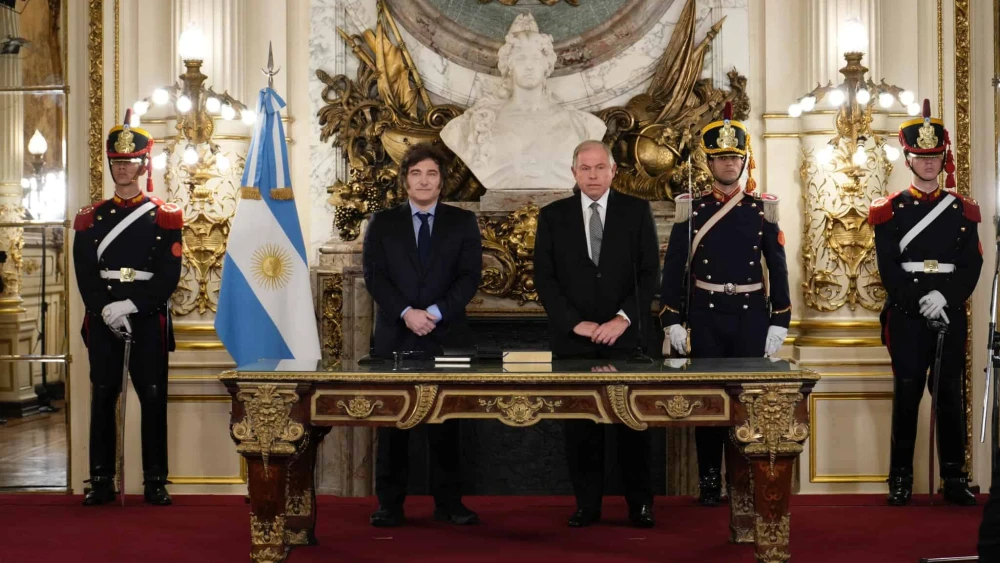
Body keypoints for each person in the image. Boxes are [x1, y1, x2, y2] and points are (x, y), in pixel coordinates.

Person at [659, 102, 791, 506]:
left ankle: (741, 480)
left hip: (751, 317)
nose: (729, 165)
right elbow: (674, 270)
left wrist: (779, 320)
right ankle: (710, 481)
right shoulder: (692, 210)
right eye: (721, 158)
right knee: (709, 403)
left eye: (735, 157)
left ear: (744, 160)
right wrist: (673, 320)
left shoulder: (761, 209)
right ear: (710, 163)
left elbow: (778, 267)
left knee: (746, 403)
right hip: (707, 316)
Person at [533, 139, 660, 528]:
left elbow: (648, 273)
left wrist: (622, 319)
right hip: (575, 342)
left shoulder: (637, 211)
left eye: (599, 167)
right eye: (585, 168)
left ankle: (640, 505)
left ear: (613, 171)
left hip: (627, 340)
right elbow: (545, 278)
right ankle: (587, 505)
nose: (592, 175)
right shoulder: (553, 216)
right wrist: (574, 323)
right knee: (581, 429)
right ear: (573, 173)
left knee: (634, 426)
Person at [362, 142, 483, 527]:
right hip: (396, 336)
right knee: (394, 425)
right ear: (405, 180)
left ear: (441, 182)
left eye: (431, 173)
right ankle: (390, 505)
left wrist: (432, 312)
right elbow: (374, 277)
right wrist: (406, 313)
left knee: (447, 425)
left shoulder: (462, 222)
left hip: (446, 335)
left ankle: (449, 503)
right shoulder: (382, 223)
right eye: (416, 173)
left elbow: (469, 278)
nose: (424, 180)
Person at [870, 99, 982, 507]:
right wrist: (921, 300)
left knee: (949, 395)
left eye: (935, 156)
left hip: (949, 312)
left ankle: (954, 478)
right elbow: (889, 269)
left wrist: (945, 298)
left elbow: (971, 265)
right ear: (908, 158)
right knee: (906, 394)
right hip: (907, 315)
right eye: (921, 156)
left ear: (943, 158)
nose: (929, 164)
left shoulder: (963, 210)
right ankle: (899, 478)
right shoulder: (889, 210)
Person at [73, 110, 183, 506]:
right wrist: (106, 309)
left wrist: (131, 305)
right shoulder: (89, 219)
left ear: (142, 165)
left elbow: (169, 274)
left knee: (153, 396)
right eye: (117, 163)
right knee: (104, 395)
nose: (123, 169)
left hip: (147, 318)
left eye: (130, 162)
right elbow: (85, 273)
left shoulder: (165, 216)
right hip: (103, 319)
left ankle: (155, 479)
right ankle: (101, 478)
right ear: (111, 165)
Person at [440, 13, 606, 192]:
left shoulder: (583, 125)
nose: (529, 65)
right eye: (521, 58)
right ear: (508, 66)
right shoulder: (474, 124)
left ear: (547, 66)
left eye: (535, 58)